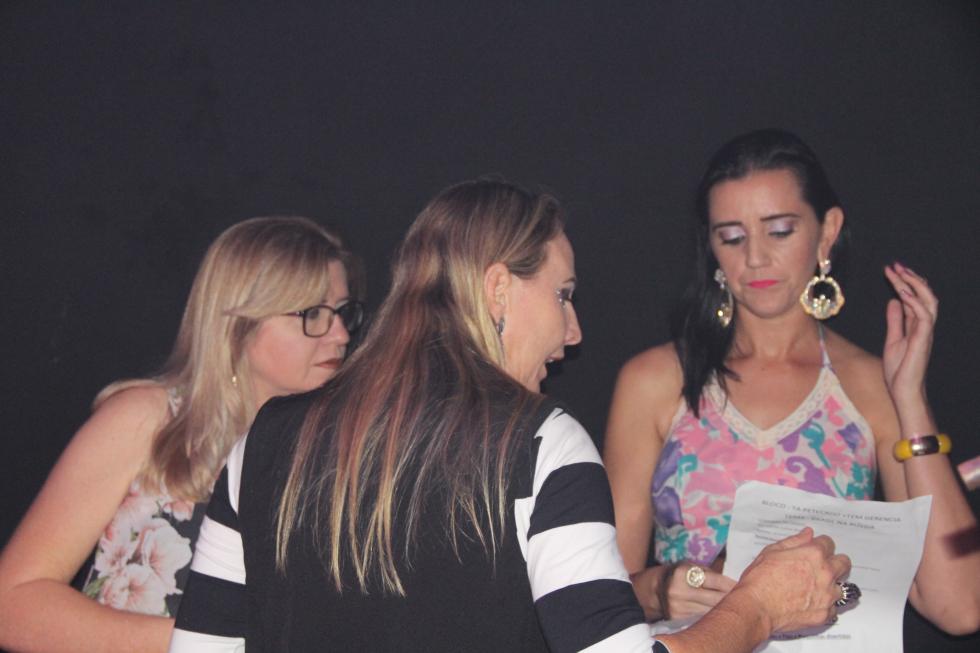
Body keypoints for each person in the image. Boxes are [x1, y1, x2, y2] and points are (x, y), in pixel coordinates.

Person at [170, 179, 853, 653]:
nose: (574, 332)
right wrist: (757, 607)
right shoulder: (541, 445)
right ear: (498, 289)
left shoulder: (265, 441)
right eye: (562, 295)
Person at [604, 129, 980, 635]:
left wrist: (910, 397)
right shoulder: (655, 381)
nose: (755, 257)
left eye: (779, 231)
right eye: (732, 237)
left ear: (827, 233)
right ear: (711, 246)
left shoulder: (869, 385)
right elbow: (596, 596)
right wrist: (657, 589)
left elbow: (959, 606)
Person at [0, 216, 364, 652]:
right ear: (239, 323)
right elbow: (12, 605)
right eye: (314, 314)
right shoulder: (148, 420)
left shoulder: (335, 450)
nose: (340, 335)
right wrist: (205, 641)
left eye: (343, 313)